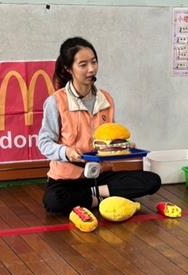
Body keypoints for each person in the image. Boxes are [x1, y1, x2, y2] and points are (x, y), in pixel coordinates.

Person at [37, 37, 161, 215]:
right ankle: (103, 197)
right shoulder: (56, 101)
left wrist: (123, 146)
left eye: (94, 62)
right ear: (68, 68)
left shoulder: (106, 99)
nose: (91, 69)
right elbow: (44, 142)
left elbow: (109, 138)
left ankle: (92, 196)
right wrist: (66, 152)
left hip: (101, 175)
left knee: (152, 180)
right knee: (54, 201)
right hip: (67, 178)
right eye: (83, 64)